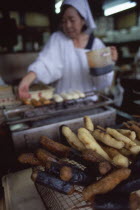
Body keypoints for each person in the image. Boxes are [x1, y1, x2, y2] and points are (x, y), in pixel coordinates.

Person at [18, 0, 118, 99]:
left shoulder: (95, 44)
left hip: (88, 103)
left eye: (72, 20)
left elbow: (102, 83)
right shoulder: (58, 39)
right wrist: (27, 80)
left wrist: (109, 62)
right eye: (64, 21)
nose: (68, 25)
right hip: (61, 102)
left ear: (83, 20)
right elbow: (46, 63)